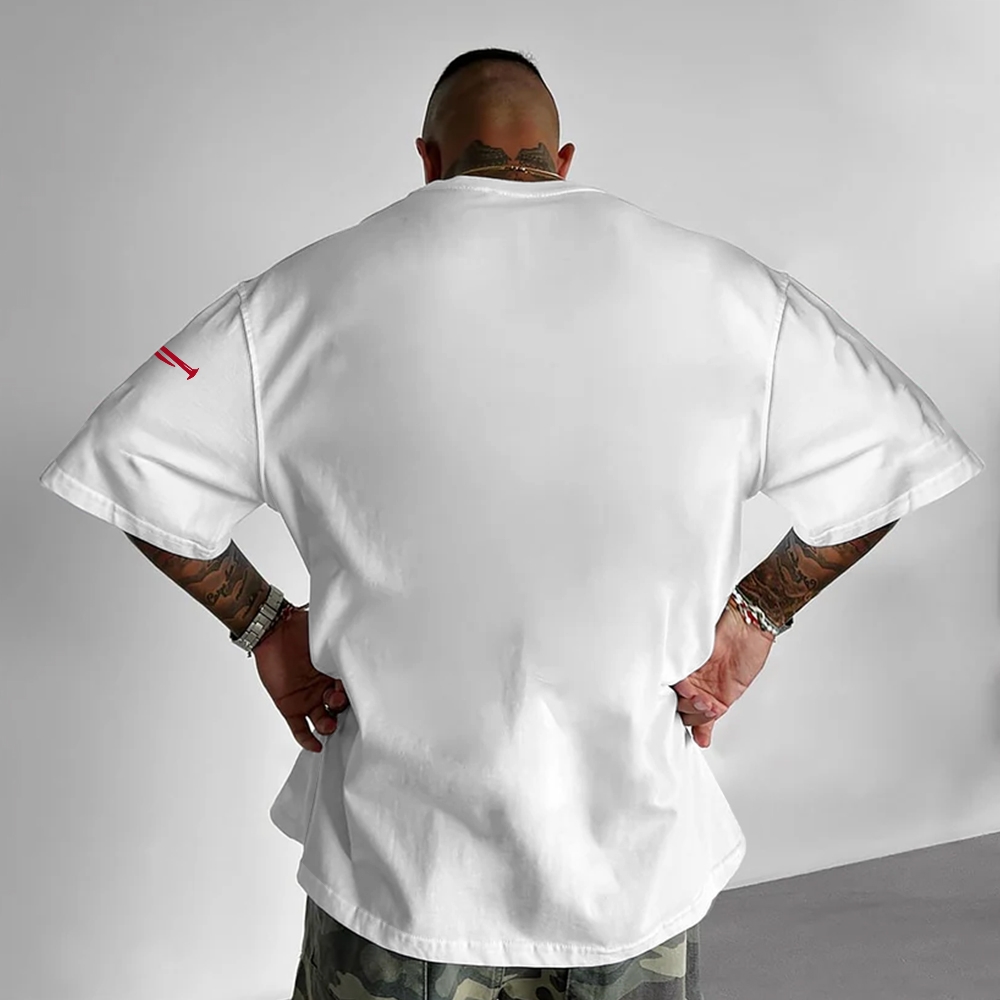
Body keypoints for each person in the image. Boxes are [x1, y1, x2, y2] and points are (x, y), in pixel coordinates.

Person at [38, 46, 984, 1000]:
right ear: (562, 161)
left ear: (427, 160)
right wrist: (759, 615)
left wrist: (263, 627)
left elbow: (129, 459)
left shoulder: (294, 301)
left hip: (398, 874)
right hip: (632, 873)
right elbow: (897, 450)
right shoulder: (730, 291)